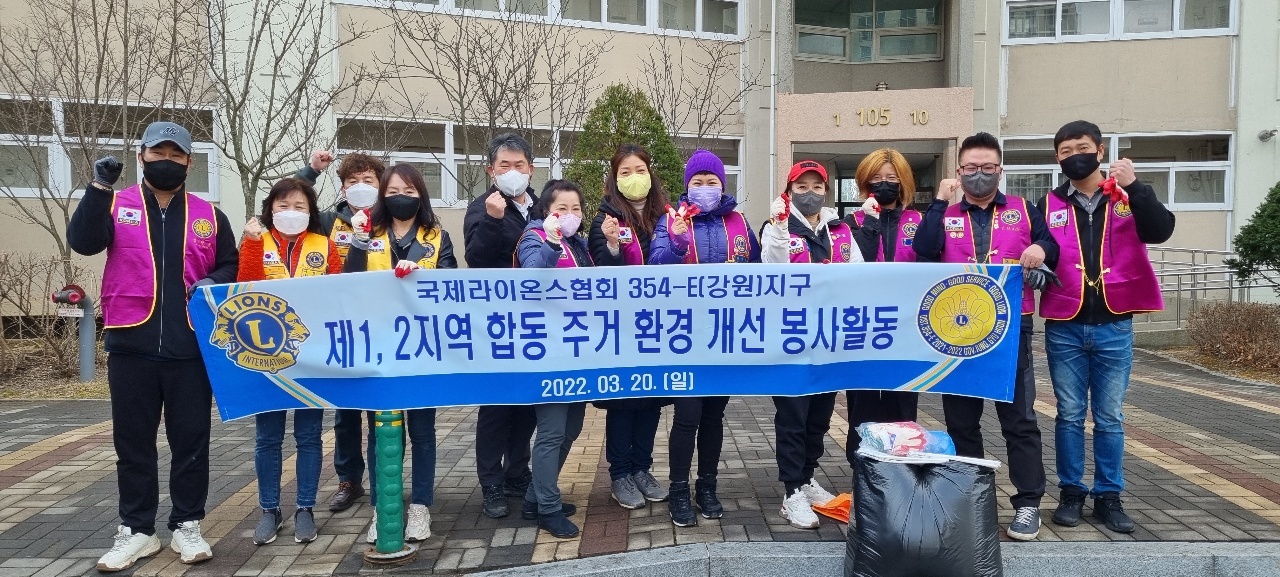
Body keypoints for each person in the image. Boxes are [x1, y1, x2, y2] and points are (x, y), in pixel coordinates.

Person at [68, 121, 238, 571]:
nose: (167, 160)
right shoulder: (116, 202)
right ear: (142, 156)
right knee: (133, 444)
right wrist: (98, 187)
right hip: (131, 343)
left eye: (175, 154)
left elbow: (230, 264)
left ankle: (187, 524)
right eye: (158, 153)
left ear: (189, 161)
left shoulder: (209, 215)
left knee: (191, 442)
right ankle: (137, 530)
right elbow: (83, 242)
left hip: (190, 347)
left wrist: (213, 280)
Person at [913, 132, 1058, 542]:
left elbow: (1052, 244)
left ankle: (1028, 503)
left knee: (1020, 419)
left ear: (1000, 170)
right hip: (956, 332)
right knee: (962, 422)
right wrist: (938, 201)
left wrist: (1041, 249)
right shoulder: (944, 213)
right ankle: (971, 500)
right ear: (959, 172)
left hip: (1011, 328)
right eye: (972, 168)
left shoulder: (1024, 209)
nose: (980, 174)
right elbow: (924, 249)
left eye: (988, 168)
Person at [1038, 120, 1174, 534]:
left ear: (1099, 151)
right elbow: (1041, 247)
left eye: (1082, 148)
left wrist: (1136, 187)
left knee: (1110, 416)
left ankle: (1109, 496)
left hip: (1115, 324)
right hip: (1065, 324)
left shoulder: (1126, 196)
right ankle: (1071, 493)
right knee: (1069, 414)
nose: (1074, 156)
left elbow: (1160, 230)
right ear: (1057, 158)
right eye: (1065, 151)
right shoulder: (1048, 203)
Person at [343, 163, 458, 544]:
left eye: (409, 191)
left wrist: (422, 275)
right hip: (378, 347)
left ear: (421, 195)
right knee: (380, 430)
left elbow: (451, 285)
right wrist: (358, 242)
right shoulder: (367, 232)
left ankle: (421, 506)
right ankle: (383, 506)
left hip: (423, 347)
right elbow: (348, 281)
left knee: (423, 432)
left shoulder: (436, 236)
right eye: (392, 191)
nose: (400, 198)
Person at [650, 149, 760, 525]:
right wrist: (678, 242)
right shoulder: (673, 220)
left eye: (712, 181)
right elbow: (655, 267)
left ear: (723, 185)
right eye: (697, 182)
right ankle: (679, 489)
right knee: (687, 415)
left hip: (726, 334)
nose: (705, 187)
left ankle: (707, 486)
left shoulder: (739, 222)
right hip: (685, 335)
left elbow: (760, 273)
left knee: (714, 415)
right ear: (687, 186)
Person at [237, 178, 343, 545]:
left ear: (311, 211)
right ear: (270, 209)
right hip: (264, 354)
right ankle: (269, 509)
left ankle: (305, 508)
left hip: (310, 356)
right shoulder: (257, 241)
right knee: (268, 437)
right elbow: (243, 288)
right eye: (283, 206)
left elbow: (337, 294)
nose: (291, 212)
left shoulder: (323, 245)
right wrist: (252, 244)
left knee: (309, 436)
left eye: (300, 206)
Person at [760, 160, 859, 529]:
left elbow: (862, 274)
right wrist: (780, 227)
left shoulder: (841, 231)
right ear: (788, 191)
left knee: (819, 416)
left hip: (829, 340)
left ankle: (806, 477)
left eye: (817, 186)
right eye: (801, 187)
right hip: (790, 340)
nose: (810, 193)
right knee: (793, 418)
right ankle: (791, 493)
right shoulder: (777, 228)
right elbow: (772, 267)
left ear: (827, 191)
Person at [294, 149, 386, 512]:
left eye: (368, 180)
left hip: (383, 327)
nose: (361, 186)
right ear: (343, 188)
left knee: (383, 412)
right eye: (353, 181)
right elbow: (291, 202)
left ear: (381, 185)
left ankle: (385, 481)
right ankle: (349, 481)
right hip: (340, 329)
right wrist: (311, 171)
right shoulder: (328, 221)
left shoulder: (390, 220)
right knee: (346, 414)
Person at [515, 180, 608, 538]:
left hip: (578, 350)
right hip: (549, 352)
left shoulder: (578, 244)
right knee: (552, 431)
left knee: (570, 429)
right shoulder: (534, 238)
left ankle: (535, 498)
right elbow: (531, 277)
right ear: (546, 211)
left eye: (576, 209)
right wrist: (551, 244)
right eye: (561, 209)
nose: (570, 216)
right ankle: (548, 509)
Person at [587, 145, 671, 512]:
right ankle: (620, 473)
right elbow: (598, 274)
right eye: (625, 172)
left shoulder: (666, 216)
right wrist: (610, 245)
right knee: (624, 401)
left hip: (659, 326)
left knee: (651, 400)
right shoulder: (605, 220)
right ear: (614, 178)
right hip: (621, 328)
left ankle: (642, 469)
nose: (634, 178)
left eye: (640, 170)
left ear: (650, 174)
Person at [463, 133, 540, 518]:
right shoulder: (482, 208)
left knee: (526, 403)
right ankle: (491, 482)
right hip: (497, 323)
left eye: (519, 165)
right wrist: (493, 221)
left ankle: (516, 472)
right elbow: (476, 260)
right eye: (504, 166)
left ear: (531, 169)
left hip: (536, 323)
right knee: (496, 406)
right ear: (491, 170)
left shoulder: (542, 206)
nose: (512, 172)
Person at [844, 148, 922, 461]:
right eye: (876, 178)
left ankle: (900, 466)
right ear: (865, 182)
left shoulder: (920, 221)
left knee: (902, 401)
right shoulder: (850, 223)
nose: (884, 183)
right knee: (861, 402)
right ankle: (861, 466)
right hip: (862, 327)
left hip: (906, 328)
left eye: (891, 177)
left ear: (903, 182)